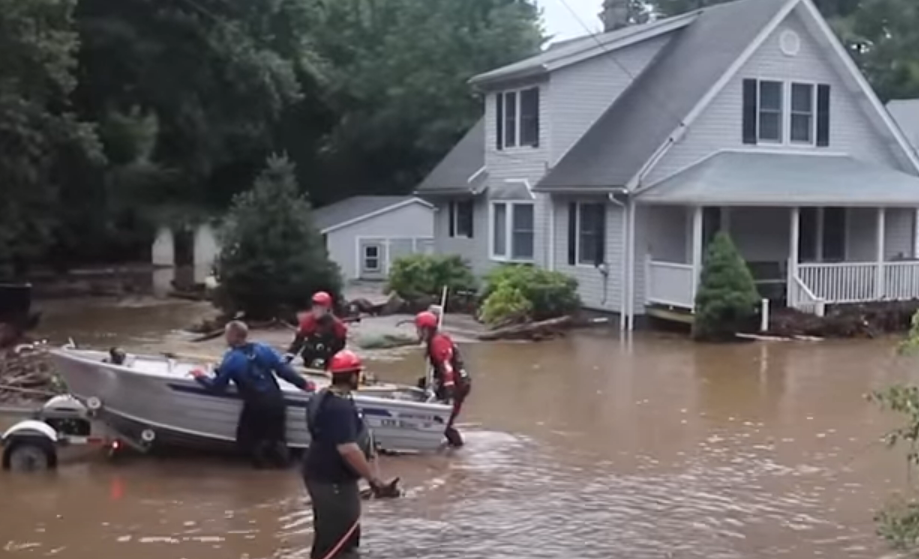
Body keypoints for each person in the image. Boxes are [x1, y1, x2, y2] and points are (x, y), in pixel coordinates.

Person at [191, 320, 315, 468]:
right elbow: (284, 370)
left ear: (232, 336)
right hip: (276, 402)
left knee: (249, 442)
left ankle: (257, 478)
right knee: (277, 440)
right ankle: (282, 475)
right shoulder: (263, 348)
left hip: (255, 407)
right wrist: (304, 384)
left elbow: (217, 387)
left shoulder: (231, 359)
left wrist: (200, 376)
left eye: (226, 334)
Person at [303, 349, 390, 559]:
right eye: (358, 373)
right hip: (332, 481)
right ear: (352, 376)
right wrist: (373, 479)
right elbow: (347, 449)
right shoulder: (339, 406)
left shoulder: (323, 396)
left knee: (328, 534)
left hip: (320, 474)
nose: (359, 377)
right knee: (340, 540)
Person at [414, 311, 472, 448]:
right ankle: (445, 443)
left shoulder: (438, 342)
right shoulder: (435, 340)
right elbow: (440, 367)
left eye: (418, 329)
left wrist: (449, 389)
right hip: (453, 383)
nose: (416, 332)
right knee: (441, 420)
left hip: (457, 385)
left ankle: (456, 450)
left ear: (426, 329)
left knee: (444, 422)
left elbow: (446, 366)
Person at [286, 291, 348, 369]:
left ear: (327, 309)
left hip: (328, 361)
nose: (316, 310)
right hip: (308, 359)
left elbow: (340, 348)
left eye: (320, 308)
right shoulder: (307, 321)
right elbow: (297, 343)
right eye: (315, 307)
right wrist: (288, 358)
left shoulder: (337, 326)